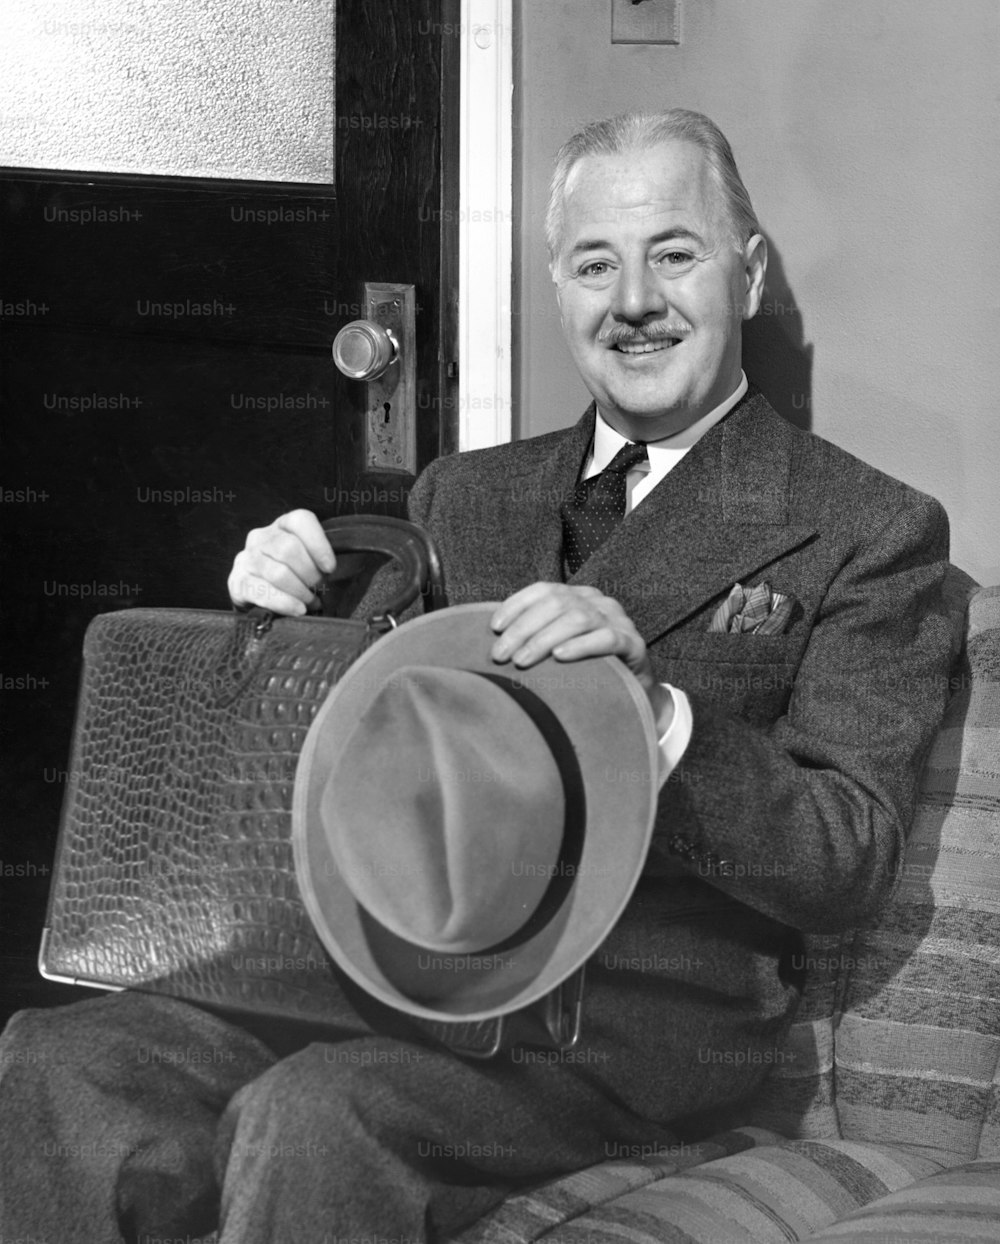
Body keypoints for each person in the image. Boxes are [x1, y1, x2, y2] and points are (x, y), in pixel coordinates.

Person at [0, 109, 954, 1244]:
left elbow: (844, 855)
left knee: (319, 1113)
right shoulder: (462, 495)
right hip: (388, 973)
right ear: (558, 289)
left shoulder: (865, 524)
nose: (633, 300)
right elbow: (349, 758)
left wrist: (650, 715)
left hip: (622, 1028)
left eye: (675, 254)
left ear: (745, 277)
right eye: (595, 263)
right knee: (58, 1058)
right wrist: (282, 624)